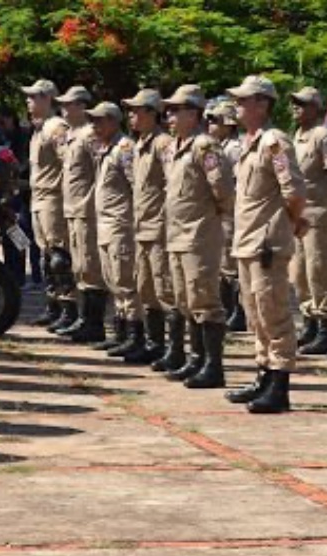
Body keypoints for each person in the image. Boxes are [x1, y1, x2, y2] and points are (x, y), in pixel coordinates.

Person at [224, 75, 308, 412]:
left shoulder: (274, 142)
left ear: (262, 104)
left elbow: (295, 192)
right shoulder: (249, 142)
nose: (238, 106)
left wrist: (285, 224)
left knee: (273, 312)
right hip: (247, 241)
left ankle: (279, 384)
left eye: (244, 100)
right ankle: (263, 374)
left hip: (266, 242)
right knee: (255, 313)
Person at [162, 84, 235, 389]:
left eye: (176, 110)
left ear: (193, 113)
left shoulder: (204, 146)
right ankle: (196, 359)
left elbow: (223, 190)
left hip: (199, 234)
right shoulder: (176, 146)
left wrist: (212, 218)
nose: (169, 116)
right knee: (185, 300)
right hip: (177, 234)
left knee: (204, 299)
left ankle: (213, 366)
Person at [123, 88, 178, 366]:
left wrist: (166, 220)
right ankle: (154, 344)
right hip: (141, 227)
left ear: (151, 113)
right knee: (145, 289)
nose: (131, 115)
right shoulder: (139, 144)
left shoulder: (162, 143)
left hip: (158, 228)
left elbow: (173, 184)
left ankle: (176, 349)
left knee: (165, 290)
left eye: (136, 110)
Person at [88, 102, 145, 360]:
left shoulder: (125, 149)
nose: (94, 126)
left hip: (121, 225)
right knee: (113, 281)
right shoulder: (106, 149)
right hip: (106, 225)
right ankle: (121, 332)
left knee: (126, 282)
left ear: (113, 121)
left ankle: (135, 335)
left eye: (99, 121)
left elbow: (137, 186)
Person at [288, 86, 327, 356]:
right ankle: (308, 325)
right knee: (299, 274)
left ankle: (325, 330)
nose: (296, 107)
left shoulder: (323, 136)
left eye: (302, 103)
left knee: (319, 271)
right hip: (298, 216)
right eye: (294, 103)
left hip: (319, 215)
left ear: (316, 108)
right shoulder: (296, 136)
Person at [53, 85, 103, 342]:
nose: (63, 108)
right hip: (71, 209)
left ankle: (94, 323)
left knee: (90, 266)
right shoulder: (71, 135)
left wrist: (90, 203)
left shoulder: (89, 135)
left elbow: (100, 172)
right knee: (79, 267)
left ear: (82, 106)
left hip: (86, 210)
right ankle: (84, 318)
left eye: (69, 104)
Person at [22, 79, 71, 326]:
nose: (28, 102)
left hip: (53, 197)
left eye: (33, 97)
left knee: (59, 256)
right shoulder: (39, 128)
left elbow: (69, 163)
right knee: (46, 256)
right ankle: (52, 306)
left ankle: (68, 308)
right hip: (39, 197)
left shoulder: (55, 127)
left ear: (47, 99)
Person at [206, 99, 248, 332]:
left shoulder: (234, 148)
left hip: (232, 211)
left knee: (230, 263)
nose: (210, 124)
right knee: (221, 262)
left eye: (215, 120)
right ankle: (227, 307)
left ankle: (238, 311)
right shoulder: (217, 146)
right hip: (219, 212)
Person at [0, 105, 38, 286]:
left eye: (3, 119)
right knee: (11, 233)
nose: (0, 124)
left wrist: (20, 175)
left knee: (29, 234)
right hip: (6, 193)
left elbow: (29, 160)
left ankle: (36, 275)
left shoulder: (25, 135)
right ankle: (14, 276)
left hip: (25, 190)